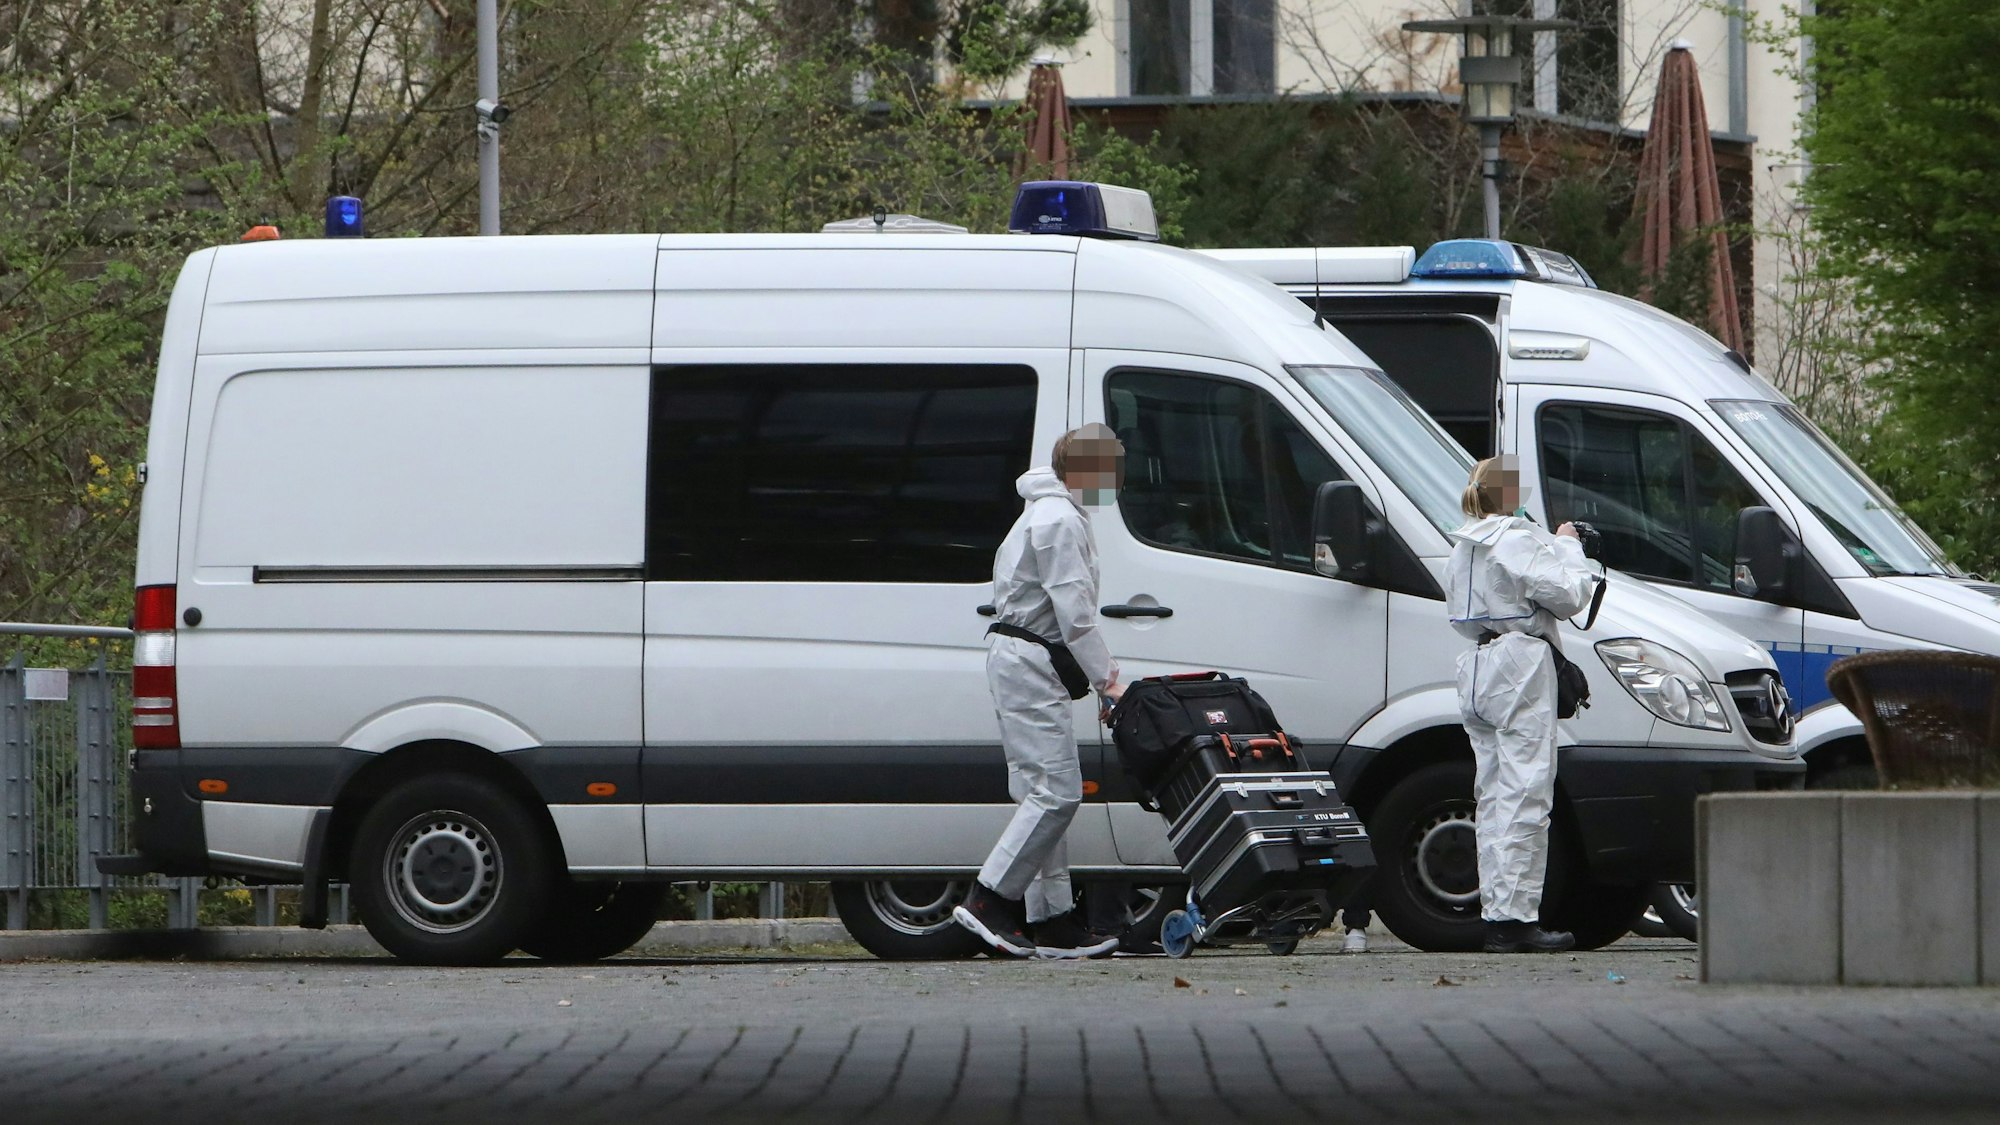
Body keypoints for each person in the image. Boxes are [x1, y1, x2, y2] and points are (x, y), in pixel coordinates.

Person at [954, 425, 1128, 959]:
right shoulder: (1058, 521)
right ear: (1083, 472)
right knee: (1059, 793)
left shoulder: (1047, 513)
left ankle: (1050, 922)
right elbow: (1075, 616)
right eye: (1111, 470)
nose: (1117, 481)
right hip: (1031, 662)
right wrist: (1110, 682)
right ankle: (988, 901)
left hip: (1020, 659)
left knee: (1040, 794)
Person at [1446, 456, 1599, 954]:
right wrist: (1570, 546)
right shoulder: (1515, 536)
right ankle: (1515, 922)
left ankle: (1496, 916)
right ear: (1510, 494)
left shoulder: (1462, 545)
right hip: (1519, 664)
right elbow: (1572, 595)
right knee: (1526, 793)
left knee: (1491, 796)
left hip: (1476, 665)